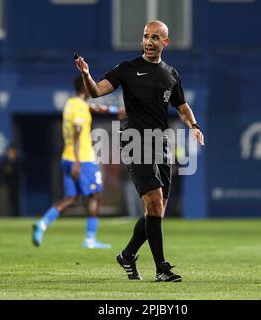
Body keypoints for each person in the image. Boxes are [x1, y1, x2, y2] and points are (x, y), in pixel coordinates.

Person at [75, 20, 204, 282]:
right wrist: (87, 75)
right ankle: (161, 269)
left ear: (165, 42)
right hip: (135, 140)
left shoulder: (171, 73)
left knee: (156, 212)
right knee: (154, 203)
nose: (148, 41)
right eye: (146, 36)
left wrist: (194, 125)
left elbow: (182, 106)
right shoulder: (127, 69)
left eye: (155, 37)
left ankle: (127, 255)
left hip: (161, 142)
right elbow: (97, 91)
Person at [32, 76, 124, 249]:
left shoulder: (71, 103)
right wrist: (76, 162)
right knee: (95, 195)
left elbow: (94, 108)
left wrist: (115, 109)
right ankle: (90, 239)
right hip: (82, 159)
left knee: (71, 198)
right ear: (85, 88)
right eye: (90, 85)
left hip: (66, 157)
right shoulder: (81, 108)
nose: (93, 87)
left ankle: (42, 224)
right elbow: (77, 130)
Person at [0, 144, 22, 217]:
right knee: (5, 204)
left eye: (13, 152)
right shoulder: (4, 162)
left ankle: (17, 218)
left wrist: (11, 171)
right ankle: (5, 217)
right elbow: (0, 173)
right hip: (5, 187)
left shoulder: (18, 162)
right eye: (10, 152)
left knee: (15, 204)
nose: (11, 154)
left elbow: (19, 172)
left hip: (15, 186)